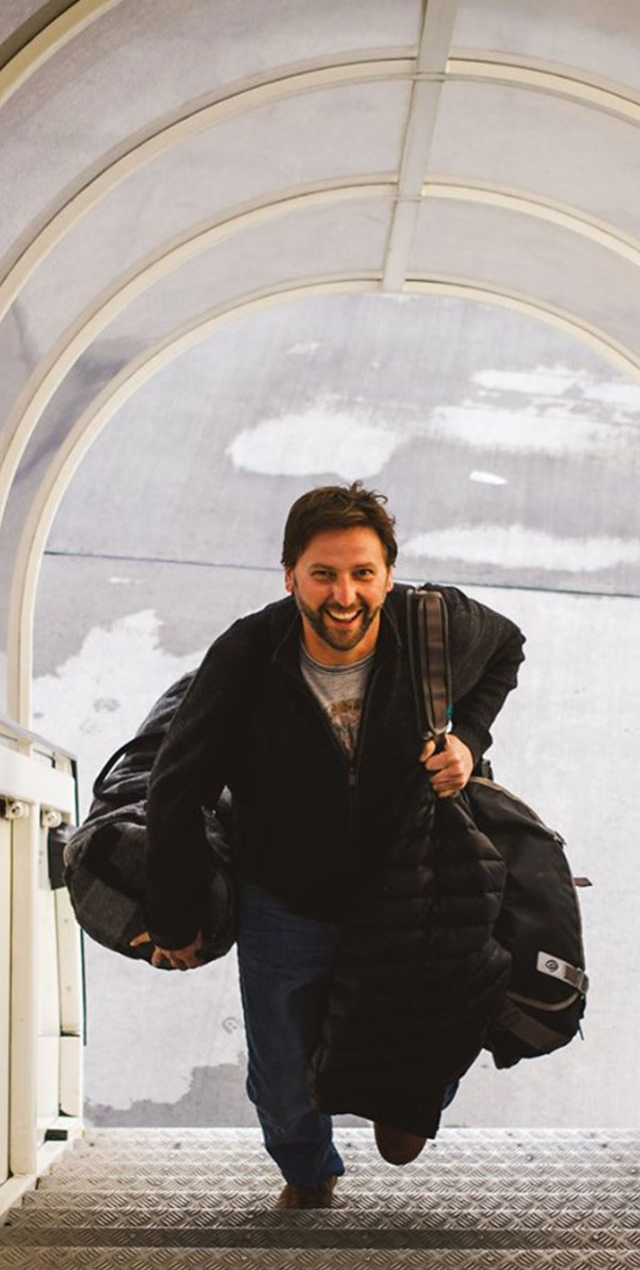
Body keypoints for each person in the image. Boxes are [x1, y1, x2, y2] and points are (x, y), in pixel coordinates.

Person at [133, 483, 526, 1208]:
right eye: (323, 574)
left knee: (417, 1085)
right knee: (284, 1081)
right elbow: (175, 786)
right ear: (289, 576)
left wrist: (468, 740)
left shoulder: (433, 624)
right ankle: (309, 1171)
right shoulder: (249, 653)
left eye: (362, 574)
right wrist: (177, 918)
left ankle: (401, 1101)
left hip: (412, 883)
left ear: (388, 574)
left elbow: (507, 650)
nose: (343, 595)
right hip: (287, 897)